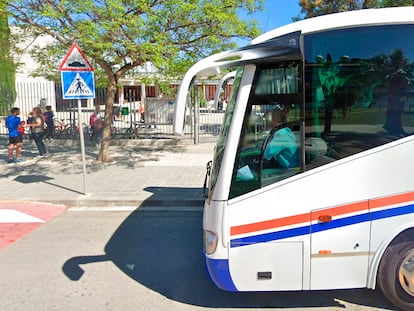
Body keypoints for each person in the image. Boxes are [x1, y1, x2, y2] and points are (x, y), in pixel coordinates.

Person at [263, 104, 299, 168]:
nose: (266, 120)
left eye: (268, 117)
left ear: (277, 119)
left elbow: (267, 154)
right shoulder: (283, 131)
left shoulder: (282, 134)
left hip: (291, 171)